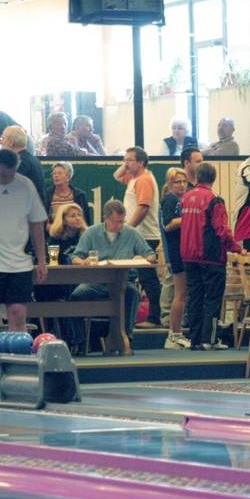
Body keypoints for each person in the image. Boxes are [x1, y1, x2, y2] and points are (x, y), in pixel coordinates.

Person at [69, 200, 155, 354]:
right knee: (76, 296)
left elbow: (151, 254)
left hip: (123, 281)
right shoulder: (91, 233)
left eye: (122, 221)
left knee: (132, 293)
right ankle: (79, 341)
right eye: (116, 222)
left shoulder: (131, 233)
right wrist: (83, 262)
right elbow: (75, 257)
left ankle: (126, 337)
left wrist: (142, 258)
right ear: (105, 218)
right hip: (95, 282)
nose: (120, 225)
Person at [180, 162, 243, 350]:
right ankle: (210, 339)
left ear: (197, 177)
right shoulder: (214, 200)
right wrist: (237, 248)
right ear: (213, 178)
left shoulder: (186, 198)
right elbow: (221, 229)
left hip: (188, 256)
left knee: (195, 298)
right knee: (213, 299)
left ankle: (195, 339)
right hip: (211, 257)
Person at [113, 147, 162, 328]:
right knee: (144, 277)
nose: (125, 164)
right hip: (139, 234)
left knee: (148, 277)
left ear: (141, 163)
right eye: (124, 160)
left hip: (144, 235)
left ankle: (155, 317)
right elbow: (116, 176)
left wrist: (128, 230)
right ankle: (152, 316)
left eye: (130, 160)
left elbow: (143, 208)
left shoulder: (144, 180)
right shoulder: (134, 178)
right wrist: (127, 163)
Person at [0, 149, 47, 332]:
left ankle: (19, 350)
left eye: (10, 175)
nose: (6, 179)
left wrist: (42, 261)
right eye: (2, 175)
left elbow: (37, 226)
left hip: (19, 264)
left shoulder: (26, 185)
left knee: (18, 314)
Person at [160, 168, 191, 350]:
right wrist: (190, 217)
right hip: (176, 251)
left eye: (183, 181)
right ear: (170, 184)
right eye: (177, 182)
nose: (181, 185)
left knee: (183, 294)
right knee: (180, 294)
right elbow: (168, 224)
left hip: (184, 250)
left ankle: (177, 332)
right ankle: (174, 334)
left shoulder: (182, 200)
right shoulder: (170, 199)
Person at [2, 125, 47, 207]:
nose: (1, 142)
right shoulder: (34, 160)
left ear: (11, 142)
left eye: (3, 138)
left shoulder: (17, 163)